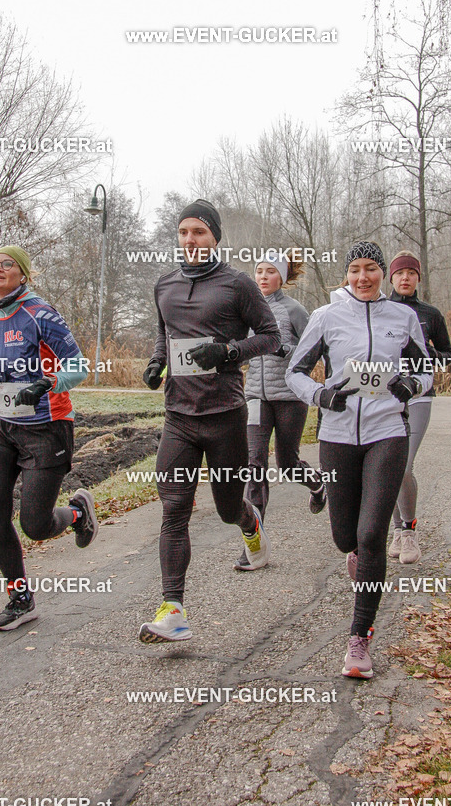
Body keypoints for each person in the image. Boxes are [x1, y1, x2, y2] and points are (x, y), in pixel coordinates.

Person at [286, 240, 432, 679]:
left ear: (383, 273)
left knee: (371, 535)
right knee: (345, 536)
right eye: (355, 269)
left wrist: (411, 387)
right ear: (346, 273)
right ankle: (357, 556)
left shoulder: (403, 317)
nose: (363, 277)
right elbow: (294, 372)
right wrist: (322, 394)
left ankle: (360, 639)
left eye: (371, 268)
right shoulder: (325, 317)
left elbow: (425, 369)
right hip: (336, 436)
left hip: (388, 432)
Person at [139, 200, 280, 643]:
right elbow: (166, 335)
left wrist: (227, 351)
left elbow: (271, 337)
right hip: (178, 417)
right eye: (183, 232)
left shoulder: (237, 284)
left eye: (199, 232)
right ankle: (173, 609)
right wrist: (157, 362)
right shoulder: (164, 285)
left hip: (224, 415)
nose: (190, 240)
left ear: (215, 237)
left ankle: (249, 522)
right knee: (174, 509)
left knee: (225, 509)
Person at [0, 245, 96, 631]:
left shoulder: (40, 314)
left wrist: (47, 384)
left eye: (7, 263)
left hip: (48, 428)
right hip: (0, 426)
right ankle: (20, 599)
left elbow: (79, 367)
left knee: (35, 525)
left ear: (23, 274)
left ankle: (78, 512)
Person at [234, 250, 327, 571]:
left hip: (289, 397)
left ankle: (317, 484)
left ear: (283, 278)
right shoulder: (247, 311)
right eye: (258, 270)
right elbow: (241, 351)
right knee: (254, 464)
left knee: (287, 463)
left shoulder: (295, 310)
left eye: (270, 271)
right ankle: (254, 543)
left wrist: (292, 352)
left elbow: (317, 348)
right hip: (256, 397)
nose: (262, 276)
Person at [388, 250, 451, 564]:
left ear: (417, 278)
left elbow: (448, 358)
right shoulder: (380, 309)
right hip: (383, 396)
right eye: (400, 273)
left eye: (411, 273)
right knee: (387, 467)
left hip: (419, 396)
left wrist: (427, 351)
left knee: (404, 464)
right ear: (391, 277)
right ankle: (396, 530)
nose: (405, 278)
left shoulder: (431, 314)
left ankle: (408, 531)